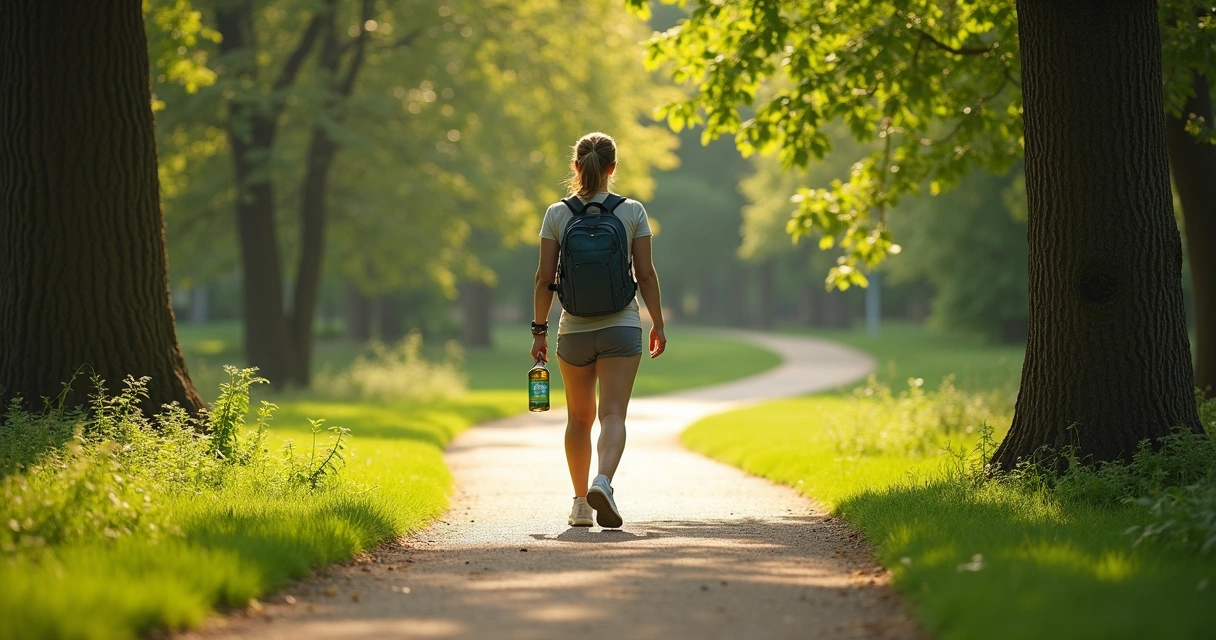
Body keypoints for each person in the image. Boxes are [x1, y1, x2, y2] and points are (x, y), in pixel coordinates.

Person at [530, 131, 666, 529]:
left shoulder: (557, 213)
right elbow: (645, 273)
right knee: (612, 414)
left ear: (576, 167)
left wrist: (539, 331)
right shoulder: (632, 211)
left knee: (579, 418)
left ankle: (579, 505)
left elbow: (543, 279)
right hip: (621, 326)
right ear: (612, 168)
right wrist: (657, 321)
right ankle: (603, 482)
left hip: (573, 331)